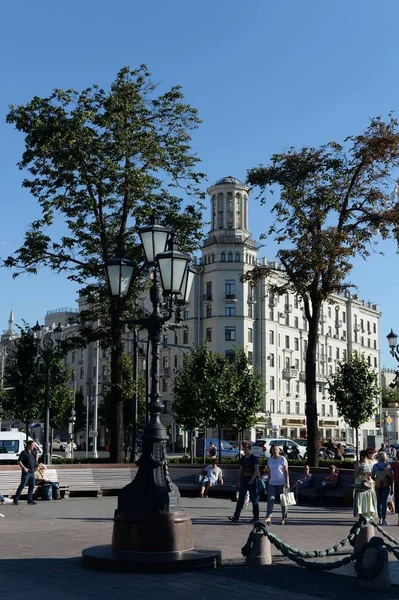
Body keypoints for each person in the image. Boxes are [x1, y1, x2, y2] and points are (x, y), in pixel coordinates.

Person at [229, 442, 259, 523]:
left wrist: (252, 479)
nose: (245, 451)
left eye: (246, 449)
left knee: (254, 499)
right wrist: (238, 481)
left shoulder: (254, 458)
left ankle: (256, 517)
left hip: (252, 481)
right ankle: (236, 516)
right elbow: (240, 470)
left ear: (250, 449)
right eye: (244, 449)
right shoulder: (242, 458)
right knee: (240, 499)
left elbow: (257, 470)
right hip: (244, 480)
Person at [265, 444, 290, 526]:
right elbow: (269, 472)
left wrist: (287, 483)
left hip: (281, 483)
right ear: (271, 451)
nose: (275, 451)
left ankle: (284, 518)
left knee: (283, 501)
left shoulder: (282, 459)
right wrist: (268, 481)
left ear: (279, 450)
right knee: (271, 500)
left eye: (276, 449)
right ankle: (269, 517)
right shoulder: (270, 460)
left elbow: (286, 471)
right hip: (272, 482)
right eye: (273, 449)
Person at [353, 450, 377, 518]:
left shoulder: (370, 463)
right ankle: (361, 515)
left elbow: (373, 474)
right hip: (359, 484)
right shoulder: (358, 464)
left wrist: (370, 476)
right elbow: (355, 474)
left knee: (368, 499)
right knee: (360, 500)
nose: (363, 457)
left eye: (364, 456)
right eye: (362, 456)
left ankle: (368, 514)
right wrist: (359, 473)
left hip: (368, 484)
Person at [372, 451, 394, 526]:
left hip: (378, 485)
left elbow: (372, 476)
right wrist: (392, 486)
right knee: (384, 502)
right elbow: (391, 477)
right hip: (386, 485)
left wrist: (376, 480)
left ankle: (379, 519)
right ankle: (384, 519)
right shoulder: (388, 465)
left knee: (378, 501)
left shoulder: (375, 466)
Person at [13, 440, 37, 505]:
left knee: (32, 486)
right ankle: (16, 499)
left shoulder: (32, 453)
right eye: (32, 445)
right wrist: (24, 468)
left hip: (32, 472)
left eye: (34, 445)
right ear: (29, 445)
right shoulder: (24, 453)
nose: (33, 447)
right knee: (22, 485)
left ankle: (30, 500)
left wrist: (36, 453)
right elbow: (19, 461)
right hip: (26, 472)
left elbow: (35, 462)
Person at [390, 450, 399, 525]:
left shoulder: (394, 464)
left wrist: (393, 476)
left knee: (398, 501)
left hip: (397, 482)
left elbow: (386, 468)